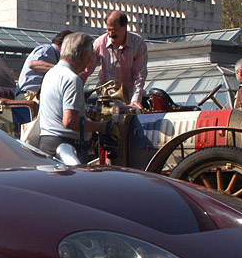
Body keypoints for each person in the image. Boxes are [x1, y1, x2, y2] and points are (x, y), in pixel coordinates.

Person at [38, 32, 119, 160]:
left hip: (47, 144)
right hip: (66, 149)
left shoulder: (50, 74)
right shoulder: (72, 79)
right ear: (83, 54)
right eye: (90, 57)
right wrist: (102, 127)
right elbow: (70, 121)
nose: (89, 62)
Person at [90, 11, 148, 109]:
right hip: (107, 97)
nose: (111, 34)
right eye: (108, 30)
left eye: (115, 30)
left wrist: (135, 100)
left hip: (129, 97)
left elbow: (140, 74)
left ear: (124, 27)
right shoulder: (100, 42)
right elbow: (87, 69)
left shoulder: (138, 43)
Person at [16, 30, 72, 98]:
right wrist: (60, 69)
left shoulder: (56, 56)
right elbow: (33, 64)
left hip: (37, 96)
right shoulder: (47, 49)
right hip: (28, 95)